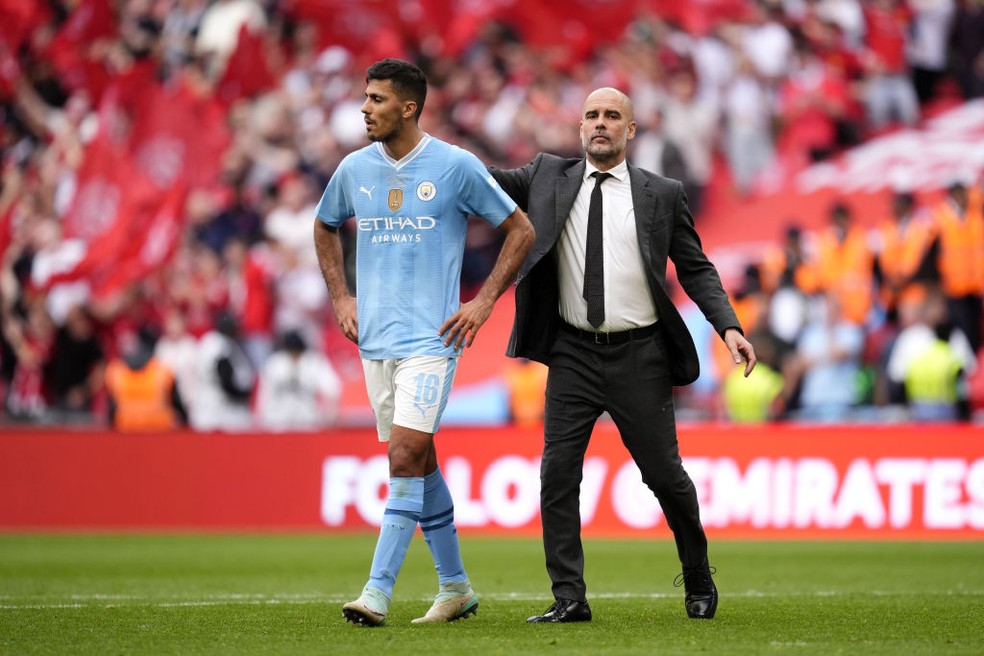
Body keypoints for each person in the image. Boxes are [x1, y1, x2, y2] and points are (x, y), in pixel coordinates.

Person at [489, 87, 756, 624]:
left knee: (665, 476)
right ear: (579, 126)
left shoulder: (663, 192)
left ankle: (698, 573)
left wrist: (727, 326)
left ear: (631, 130)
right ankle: (569, 597)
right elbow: (480, 179)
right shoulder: (545, 176)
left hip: (641, 354)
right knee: (557, 474)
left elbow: (696, 267)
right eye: (591, 115)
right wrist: (421, 144)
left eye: (613, 116)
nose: (601, 124)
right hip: (572, 353)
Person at [313, 58, 534, 626]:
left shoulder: (455, 166)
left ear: (408, 108)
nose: (364, 108)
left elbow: (520, 230)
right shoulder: (353, 169)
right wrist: (341, 296)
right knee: (420, 460)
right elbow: (324, 223)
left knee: (404, 455)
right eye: (365, 98)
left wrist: (482, 302)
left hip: (432, 341)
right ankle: (456, 586)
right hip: (375, 342)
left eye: (376, 99)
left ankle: (376, 592)